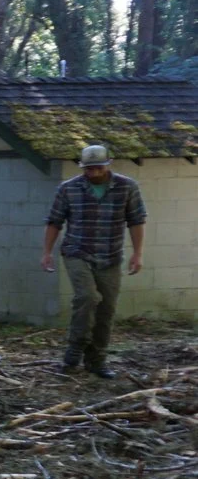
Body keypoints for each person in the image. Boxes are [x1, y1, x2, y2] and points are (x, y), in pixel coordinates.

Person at [41, 143, 146, 377]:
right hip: (77, 251)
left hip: (110, 255)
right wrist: (47, 252)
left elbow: (137, 220)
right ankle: (73, 351)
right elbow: (54, 221)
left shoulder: (127, 187)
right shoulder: (68, 189)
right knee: (87, 297)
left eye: (98, 168)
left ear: (107, 165)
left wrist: (138, 254)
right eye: (89, 169)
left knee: (106, 308)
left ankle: (96, 360)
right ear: (83, 168)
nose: (94, 173)